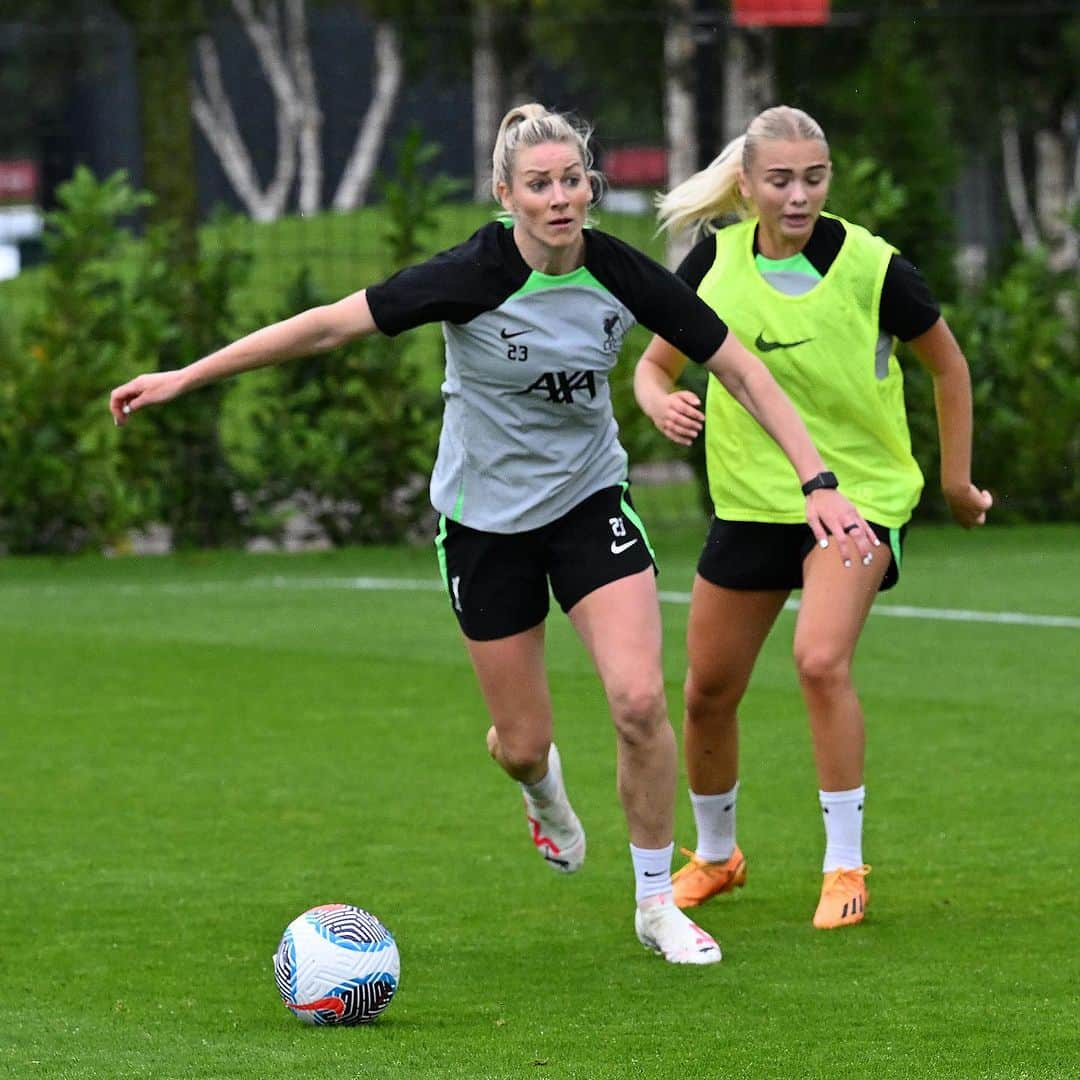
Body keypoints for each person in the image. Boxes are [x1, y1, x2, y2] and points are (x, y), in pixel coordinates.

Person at [110, 103, 876, 963]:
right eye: (539, 185)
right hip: (484, 526)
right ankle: (540, 790)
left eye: (572, 181)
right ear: (505, 194)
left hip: (589, 506)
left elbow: (740, 368)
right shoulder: (469, 273)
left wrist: (818, 480)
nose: (560, 198)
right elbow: (325, 325)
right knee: (521, 744)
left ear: (590, 186)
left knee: (638, 701)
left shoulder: (622, 273)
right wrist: (188, 375)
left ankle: (656, 902)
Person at [634, 105, 992, 930]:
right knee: (705, 693)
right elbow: (654, 368)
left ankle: (843, 868)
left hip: (858, 501)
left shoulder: (874, 267)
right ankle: (717, 857)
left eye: (814, 178)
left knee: (820, 659)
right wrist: (660, 403)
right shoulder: (713, 263)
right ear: (748, 184)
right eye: (781, 179)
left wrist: (958, 483)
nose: (799, 195)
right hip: (753, 503)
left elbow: (949, 366)